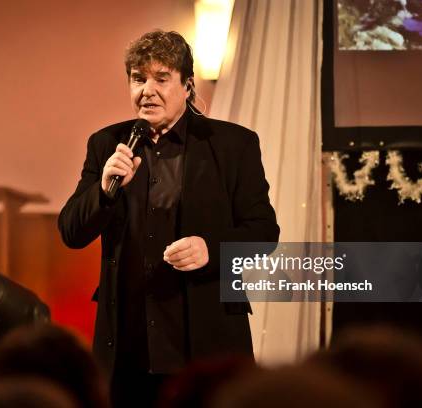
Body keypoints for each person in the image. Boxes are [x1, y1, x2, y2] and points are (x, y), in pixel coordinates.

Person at [59, 30, 279, 407]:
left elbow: (263, 232)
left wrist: (211, 249)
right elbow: (71, 231)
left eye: (161, 78)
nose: (147, 90)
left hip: (204, 343)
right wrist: (105, 190)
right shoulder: (106, 144)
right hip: (129, 345)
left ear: (187, 86)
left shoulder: (232, 145)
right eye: (138, 78)